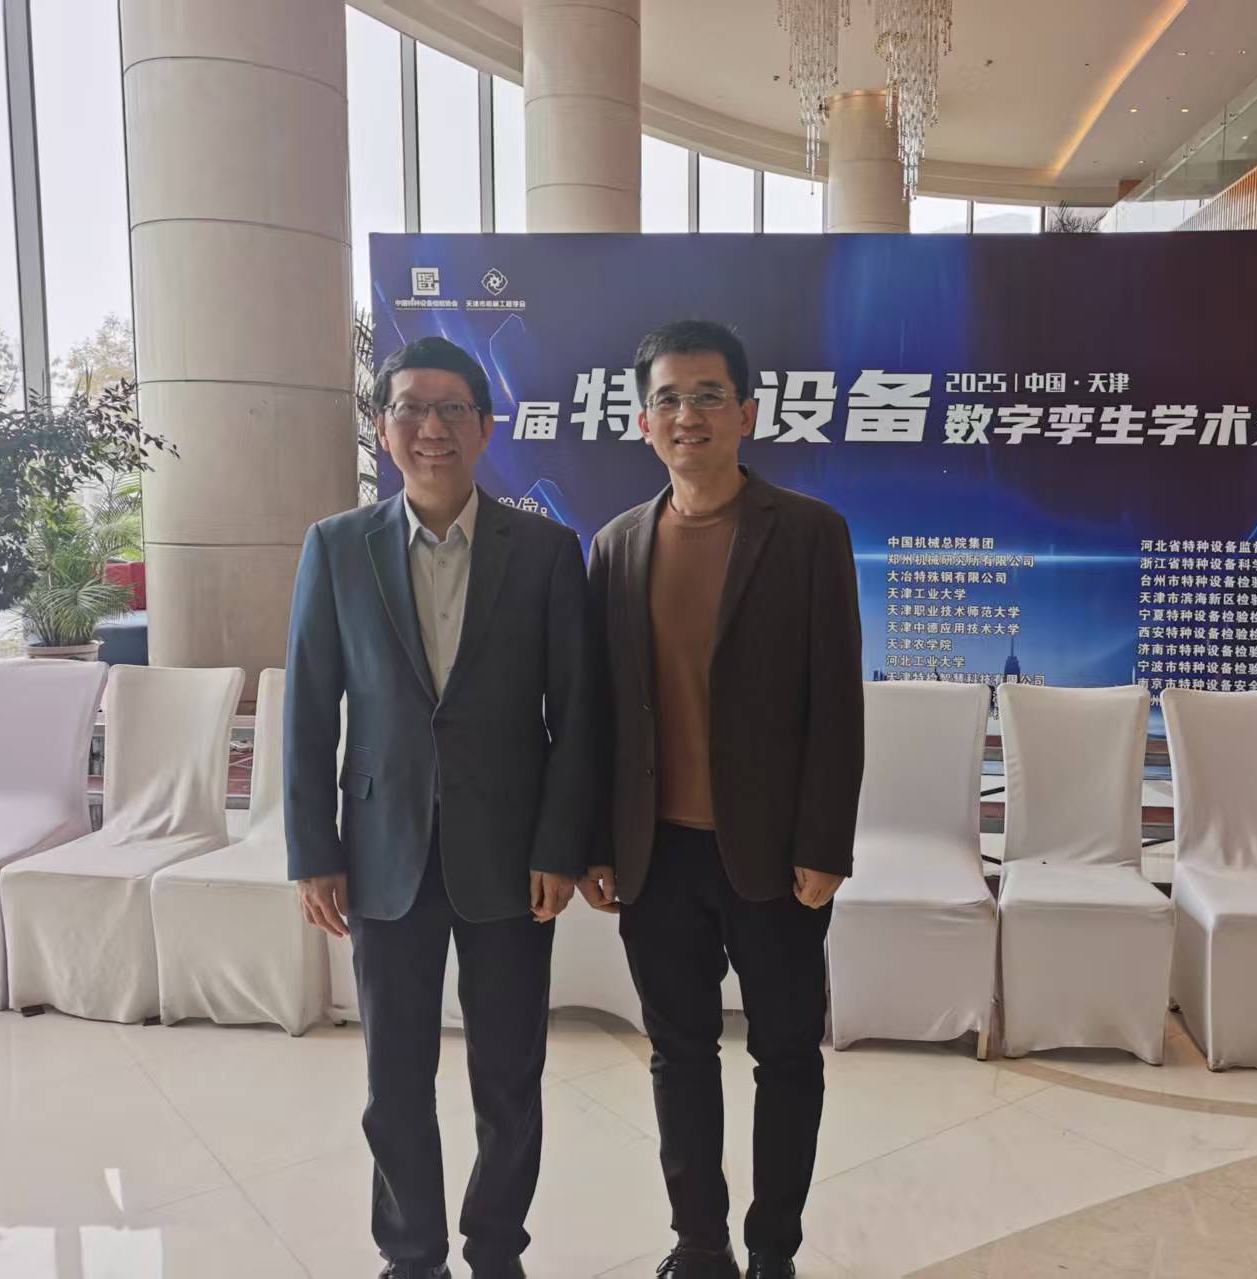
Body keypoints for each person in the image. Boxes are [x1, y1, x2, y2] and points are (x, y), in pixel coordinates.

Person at [284, 335, 598, 1279]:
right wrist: (312, 850)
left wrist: (561, 845)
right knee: (394, 1079)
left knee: (509, 1075)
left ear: (485, 427)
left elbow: (578, 713)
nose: (432, 427)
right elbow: (309, 708)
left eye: (452, 408)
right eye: (411, 408)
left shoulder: (544, 551)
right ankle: (410, 1252)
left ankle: (497, 1249)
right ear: (383, 428)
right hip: (382, 852)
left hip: (511, 854)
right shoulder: (337, 548)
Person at [581, 320, 865, 1279]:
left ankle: (773, 1250)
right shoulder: (617, 545)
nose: (687, 414)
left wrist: (825, 843)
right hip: (656, 854)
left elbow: (836, 702)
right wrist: (597, 841)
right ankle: (699, 1243)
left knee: (786, 1055)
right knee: (679, 1052)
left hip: (777, 855)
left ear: (747, 412)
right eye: (667, 397)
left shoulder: (809, 532)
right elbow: (601, 713)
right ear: (642, 420)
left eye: (708, 395)